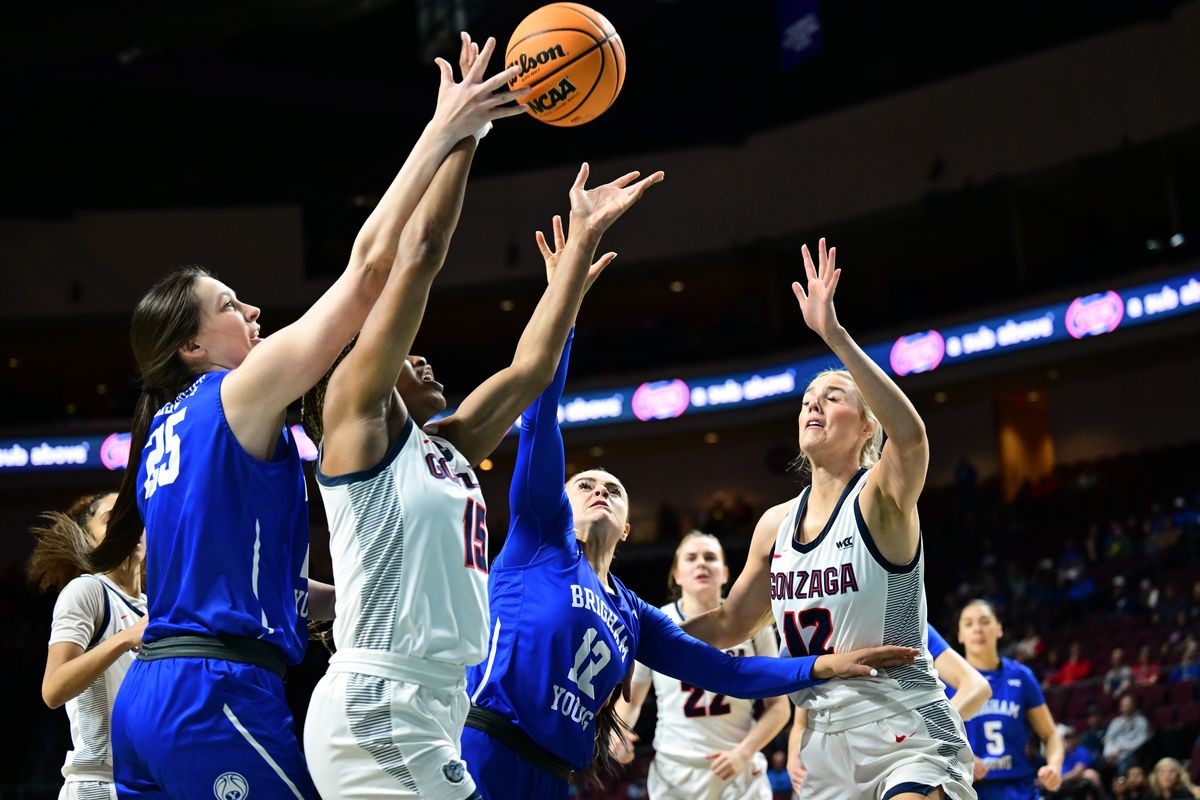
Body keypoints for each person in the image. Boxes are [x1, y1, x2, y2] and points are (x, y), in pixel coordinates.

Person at [87, 34, 523, 800]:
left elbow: (262, 582)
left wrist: (367, 593)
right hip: (213, 695)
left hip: (151, 698)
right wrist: (447, 129)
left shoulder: (163, 433)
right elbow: (369, 271)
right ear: (192, 345)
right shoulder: (238, 391)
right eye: (229, 305)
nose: (252, 310)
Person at [301, 34, 660, 800]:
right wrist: (471, 128)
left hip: (434, 708)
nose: (422, 358)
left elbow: (531, 371)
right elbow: (421, 250)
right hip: (378, 701)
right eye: (405, 354)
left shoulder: (450, 445)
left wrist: (575, 263)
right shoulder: (357, 420)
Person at [461, 261, 919, 799]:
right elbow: (540, 414)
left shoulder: (630, 617)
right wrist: (565, 299)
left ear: (628, 528)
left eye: (613, 487)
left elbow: (723, 670)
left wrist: (820, 665)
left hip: (558, 779)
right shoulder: (540, 543)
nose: (601, 489)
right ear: (557, 505)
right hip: (487, 748)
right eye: (585, 484)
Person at [681, 239, 973, 800]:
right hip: (819, 738)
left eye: (833, 396)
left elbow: (911, 437)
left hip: (903, 721)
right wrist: (635, 636)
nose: (813, 403)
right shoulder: (773, 524)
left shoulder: (879, 497)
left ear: (866, 428)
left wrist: (834, 337)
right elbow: (729, 625)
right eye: (808, 397)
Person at [614, 532, 790, 800]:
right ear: (677, 574)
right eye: (691, 558)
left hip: (738, 768)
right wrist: (619, 733)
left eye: (710, 557)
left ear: (726, 573)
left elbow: (778, 708)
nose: (702, 564)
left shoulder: (753, 625)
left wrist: (743, 752)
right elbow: (633, 700)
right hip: (675, 771)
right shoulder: (657, 623)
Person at [29, 492, 147, 800]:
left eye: (134, 518)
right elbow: (53, 689)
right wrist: (125, 638)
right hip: (99, 785)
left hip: (150, 783)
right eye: (110, 519)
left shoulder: (155, 609)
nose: (127, 526)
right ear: (88, 538)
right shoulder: (88, 591)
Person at [787, 622, 992, 796]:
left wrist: (935, 730)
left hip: (901, 748)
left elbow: (977, 686)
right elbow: (802, 715)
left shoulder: (899, 618)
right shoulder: (819, 619)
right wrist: (794, 753)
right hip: (831, 756)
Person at [958, 599, 1064, 799]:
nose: (977, 629)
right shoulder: (946, 682)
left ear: (999, 629)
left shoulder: (1021, 676)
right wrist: (960, 761)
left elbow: (1050, 734)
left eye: (984, 621)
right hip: (971, 789)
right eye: (968, 624)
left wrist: (1054, 767)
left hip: (1020, 788)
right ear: (960, 635)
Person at [1104, 695, 1152, 775]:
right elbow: (1108, 739)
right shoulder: (1115, 722)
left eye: (1128, 705)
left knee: (1123, 765)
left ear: (1134, 706)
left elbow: (1141, 741)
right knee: (1101, 765)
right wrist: (1109, 754)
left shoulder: (1141, 721)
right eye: (1123, 705)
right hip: (1113, 754)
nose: (1126, 708)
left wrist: (1121, 750)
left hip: (1132, 754)